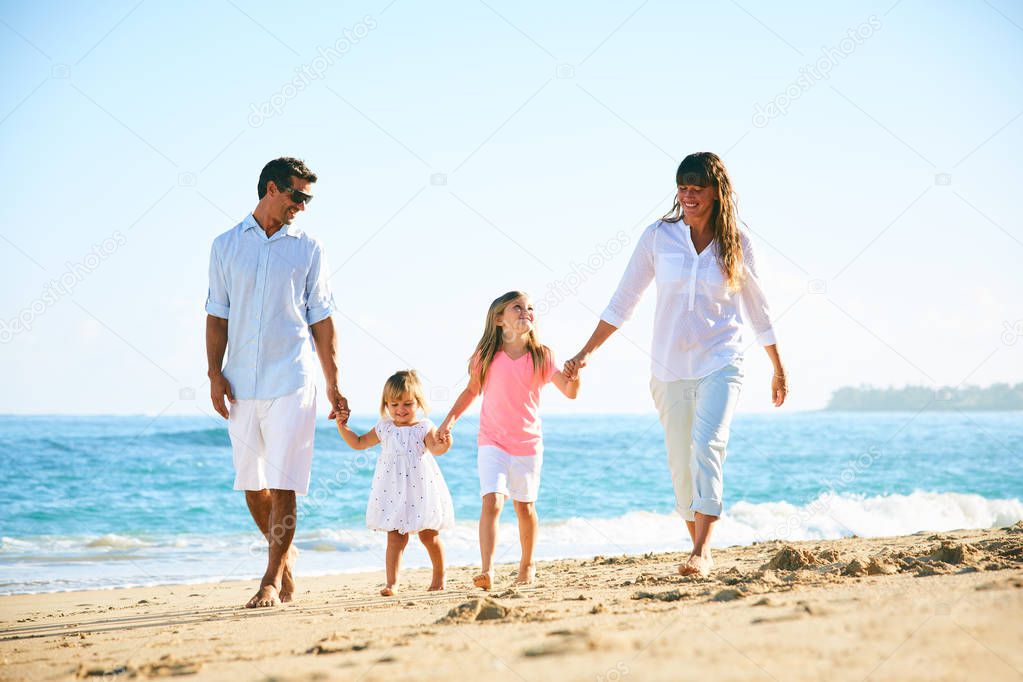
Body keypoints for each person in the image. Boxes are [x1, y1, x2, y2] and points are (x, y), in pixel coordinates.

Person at [564, 152, 788, 578]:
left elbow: (758, 308)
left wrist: (777, 365)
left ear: (716, 192)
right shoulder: (657, 237)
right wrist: (586, 352)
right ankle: (698, 546)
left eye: (696, 188)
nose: (687, 196)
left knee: (708, 447)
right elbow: (623, 300)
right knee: (680, 463)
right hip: (668, 366)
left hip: (722, 360)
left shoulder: (736, 243)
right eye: (682, 188)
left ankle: (702, 550)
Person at [205, 157, 347, 608]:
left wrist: (334, 384)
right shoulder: (226, 245)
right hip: (241, 382)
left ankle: (270, 578)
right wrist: (214, 372)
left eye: (307, 198)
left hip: (293, 378)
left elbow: (321, 320)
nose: (302, 206)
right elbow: (216, 314)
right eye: (297, 196)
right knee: (252, 483)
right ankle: (285, 558)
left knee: (285, 483)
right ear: (271, 188)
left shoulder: (309, 248)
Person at [437, 291, 580, 590]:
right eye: (518, 307)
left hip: (527, 444)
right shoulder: (486, 356)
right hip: (492, 440)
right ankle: (487, 570)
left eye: (530, 308)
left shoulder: (542, 355)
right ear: (499, 318)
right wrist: (449, 420)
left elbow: (569, 391)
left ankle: (527, 564)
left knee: (524, 508)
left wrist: (574, 375)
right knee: (492, 501)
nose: (526, 311)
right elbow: (471, 391)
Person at [336, 370, 454, 596]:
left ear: (418, 403)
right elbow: (359, 443)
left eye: (408, 404)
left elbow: (436, 449)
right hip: (392, 490)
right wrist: (343, 427)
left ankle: (439, 575)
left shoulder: (423, 427)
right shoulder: (385, 427)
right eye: (395, 404)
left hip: (420, 488)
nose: (400, 410)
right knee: (395, 537)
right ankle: (392, 583)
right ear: (386, 405)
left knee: (428, 534)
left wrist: (445, 443)